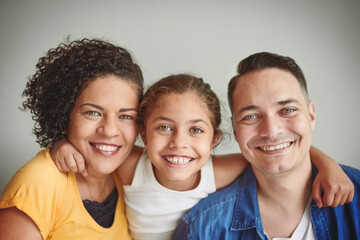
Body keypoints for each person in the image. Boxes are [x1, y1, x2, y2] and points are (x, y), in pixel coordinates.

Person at [52, 74, 353, 240]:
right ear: (143, 133)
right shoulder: (132, 166)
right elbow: (98, 144)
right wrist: (64, 145)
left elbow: (278, 148)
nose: (179, 143)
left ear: (215, 140)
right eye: (164, 127)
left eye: (196, 130)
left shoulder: (218, 170)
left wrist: (329, 166)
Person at [172, 52, 360, 240]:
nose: (271, 131)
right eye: (251, 116)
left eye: (287, 110)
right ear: (236, 130)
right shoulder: (202, 228)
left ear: (311, 116)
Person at [0, 38, 144, 239]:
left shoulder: (126, 173)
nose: (110, 131)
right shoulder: (38, 184)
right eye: (93, 113)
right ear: (65, 114)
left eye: (126, 116)